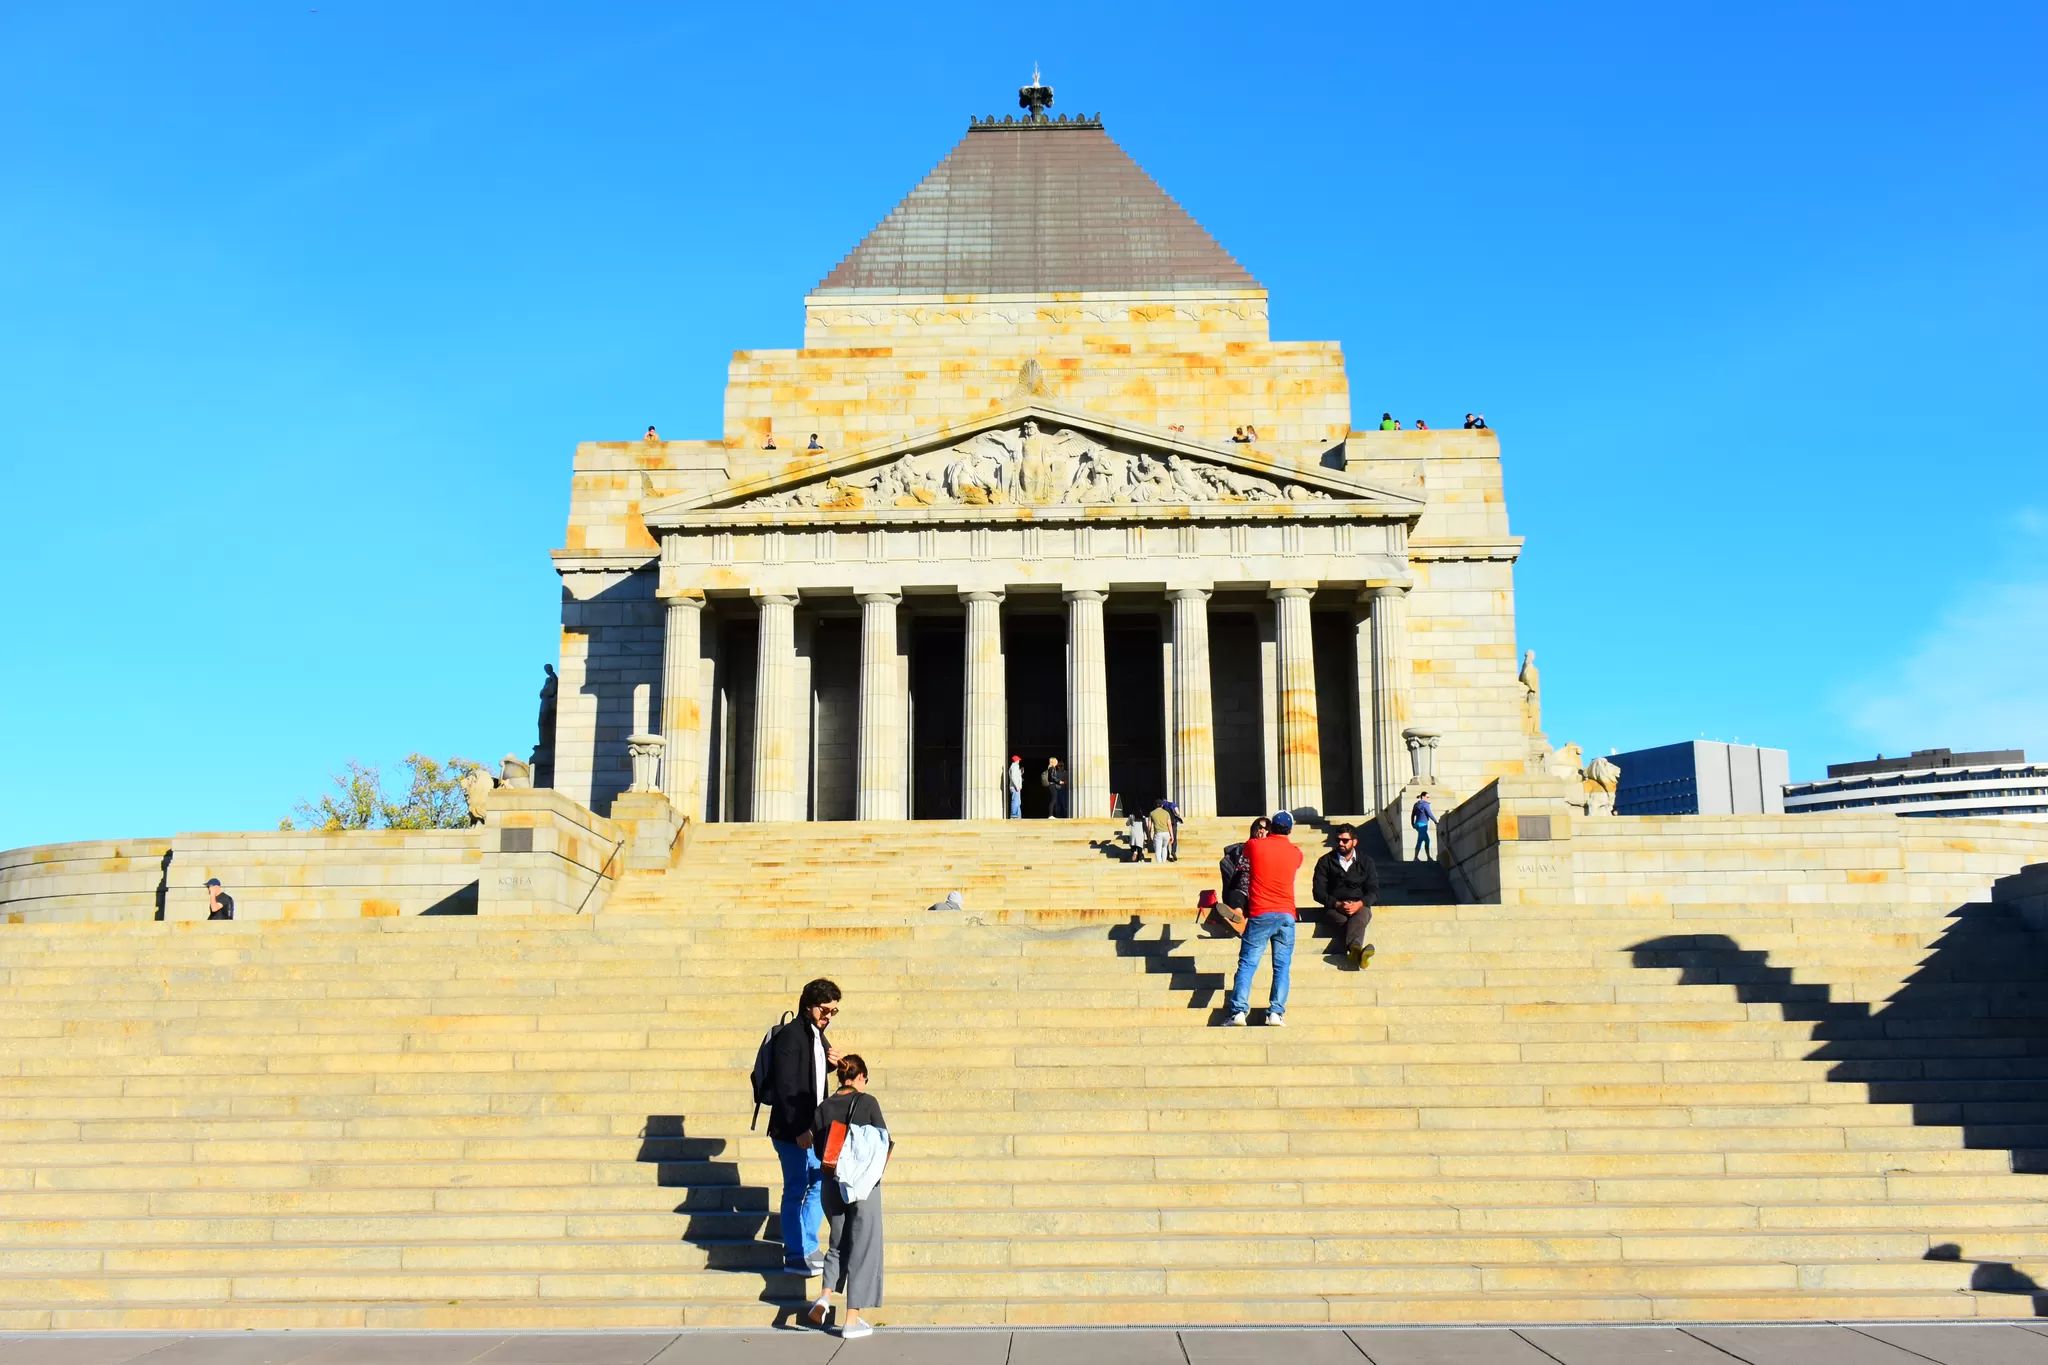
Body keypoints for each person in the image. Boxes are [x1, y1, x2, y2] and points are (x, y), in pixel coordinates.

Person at [804, 1054, 890, 1339]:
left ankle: (825, 1297)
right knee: (864, 1247)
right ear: (861, 1076)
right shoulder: (867, 1102)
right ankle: (852, 1320)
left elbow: (818, 1151)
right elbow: (883, 1141)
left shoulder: (823, 1107)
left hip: (832, 1183)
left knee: (837, 1244)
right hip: (862, 1186)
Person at [766, 979, 842, 1275]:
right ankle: (795, 1253)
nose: (828, 1017)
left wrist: (834, 1064)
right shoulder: (791, 1036)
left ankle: (808, 1245)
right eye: (825, 1010)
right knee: (796, 1188)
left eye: (834, 1012)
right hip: (791, 1130)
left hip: (813, 1129)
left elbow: (811, 1075)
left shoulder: (816, 1035)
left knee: (819, 1182)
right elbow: (786, 1088)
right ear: (809, 1005)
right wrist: (799, 1129)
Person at [1224, 811, 1302, 1027]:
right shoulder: (1296, 853)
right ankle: (1276, 1013)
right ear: (1290, 829)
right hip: (1287, 914)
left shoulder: (1255, 846)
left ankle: (1238, 1012)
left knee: (1248, 964)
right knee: (1282, 967)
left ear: (1271, 828)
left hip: (1260, 913)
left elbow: (1246, 850)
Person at [1312, 824, 1379, 968]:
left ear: (1354, 841)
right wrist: (1337, 904)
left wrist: (1359, 904)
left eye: (1345, 840)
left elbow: (1373, 890)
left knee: (1362, 914)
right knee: (1348, 922)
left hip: (1359, 906)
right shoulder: (1325, 862)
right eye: (1338, 840)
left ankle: (1355, 950)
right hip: (1334, 908)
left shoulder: (1366, 862)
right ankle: (1356, 948)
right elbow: (1318, 892)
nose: (1340, 843)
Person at [1149, 798, 1180, 863]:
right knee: (1164, 848)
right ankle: (1164, 862)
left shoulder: (1152, 813)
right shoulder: (1166, 813)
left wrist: (1149, 835)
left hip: (1158, 833)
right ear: (1162, 805)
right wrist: (1172, 835)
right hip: (1166, 833)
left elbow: (1149, 826)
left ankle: (1159, 864)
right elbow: (1169, 825)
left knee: (1158, 849)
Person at [1412, 793, 1436, 861]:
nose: (1428, 798)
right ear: (1423, 797)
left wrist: (1412, 823)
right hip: (1423, 824)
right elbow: (1429, 813)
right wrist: (1435, 821)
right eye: (1427, 797)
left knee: (1427, 840)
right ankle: (1415, 857)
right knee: (1420, 840)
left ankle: (1428, 857)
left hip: (1418, 824)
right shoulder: (1425, 804)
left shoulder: (1416, 804)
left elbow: (1412, 815)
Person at [1006, 755, 1023, 819]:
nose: (1019, 761)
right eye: (1018, 760)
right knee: (1015, 801)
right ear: (1016, 760)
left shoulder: (1015, 767)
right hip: (1015, 787)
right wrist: (1017, 786)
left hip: (1016, 787)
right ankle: (1014, 815)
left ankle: (1018, 815)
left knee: (1018, 802)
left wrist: (1020, 774)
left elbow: (1015, 777)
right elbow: (1013, 777)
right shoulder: (1014, 767)